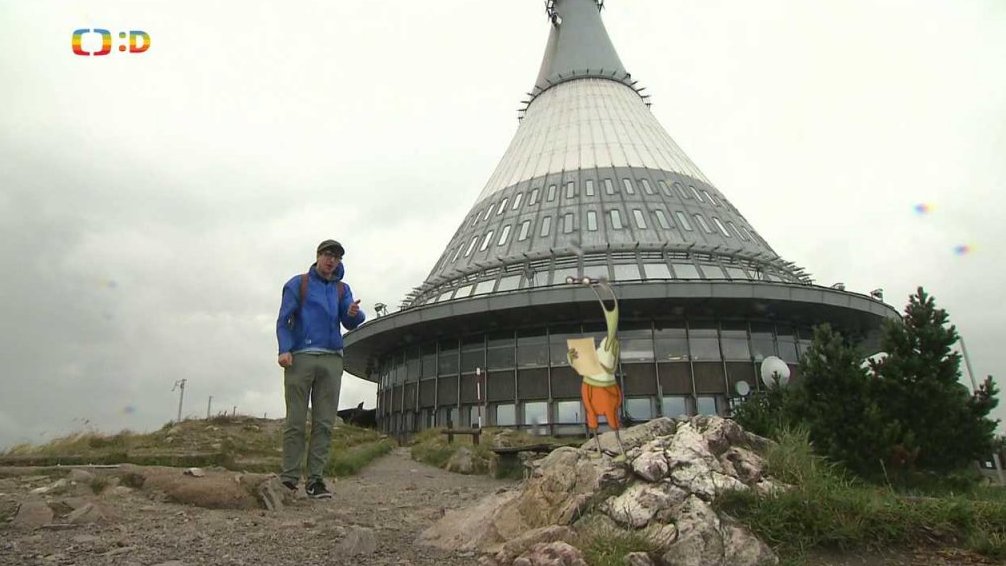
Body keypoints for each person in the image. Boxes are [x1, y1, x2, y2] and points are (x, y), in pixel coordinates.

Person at [276, 239, 365, 499]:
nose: (331, 260)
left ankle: (315, 480)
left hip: (332, 359)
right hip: (300, 357)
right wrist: (284, 349)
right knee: (295, 421)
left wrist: (353, 312)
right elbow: (284, 319)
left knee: (324, 423)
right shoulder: (298, 283)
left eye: (336, 257)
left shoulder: (341, 289)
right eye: (327, 255)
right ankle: (289, 478)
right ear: (317, 256)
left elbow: (351, 322)